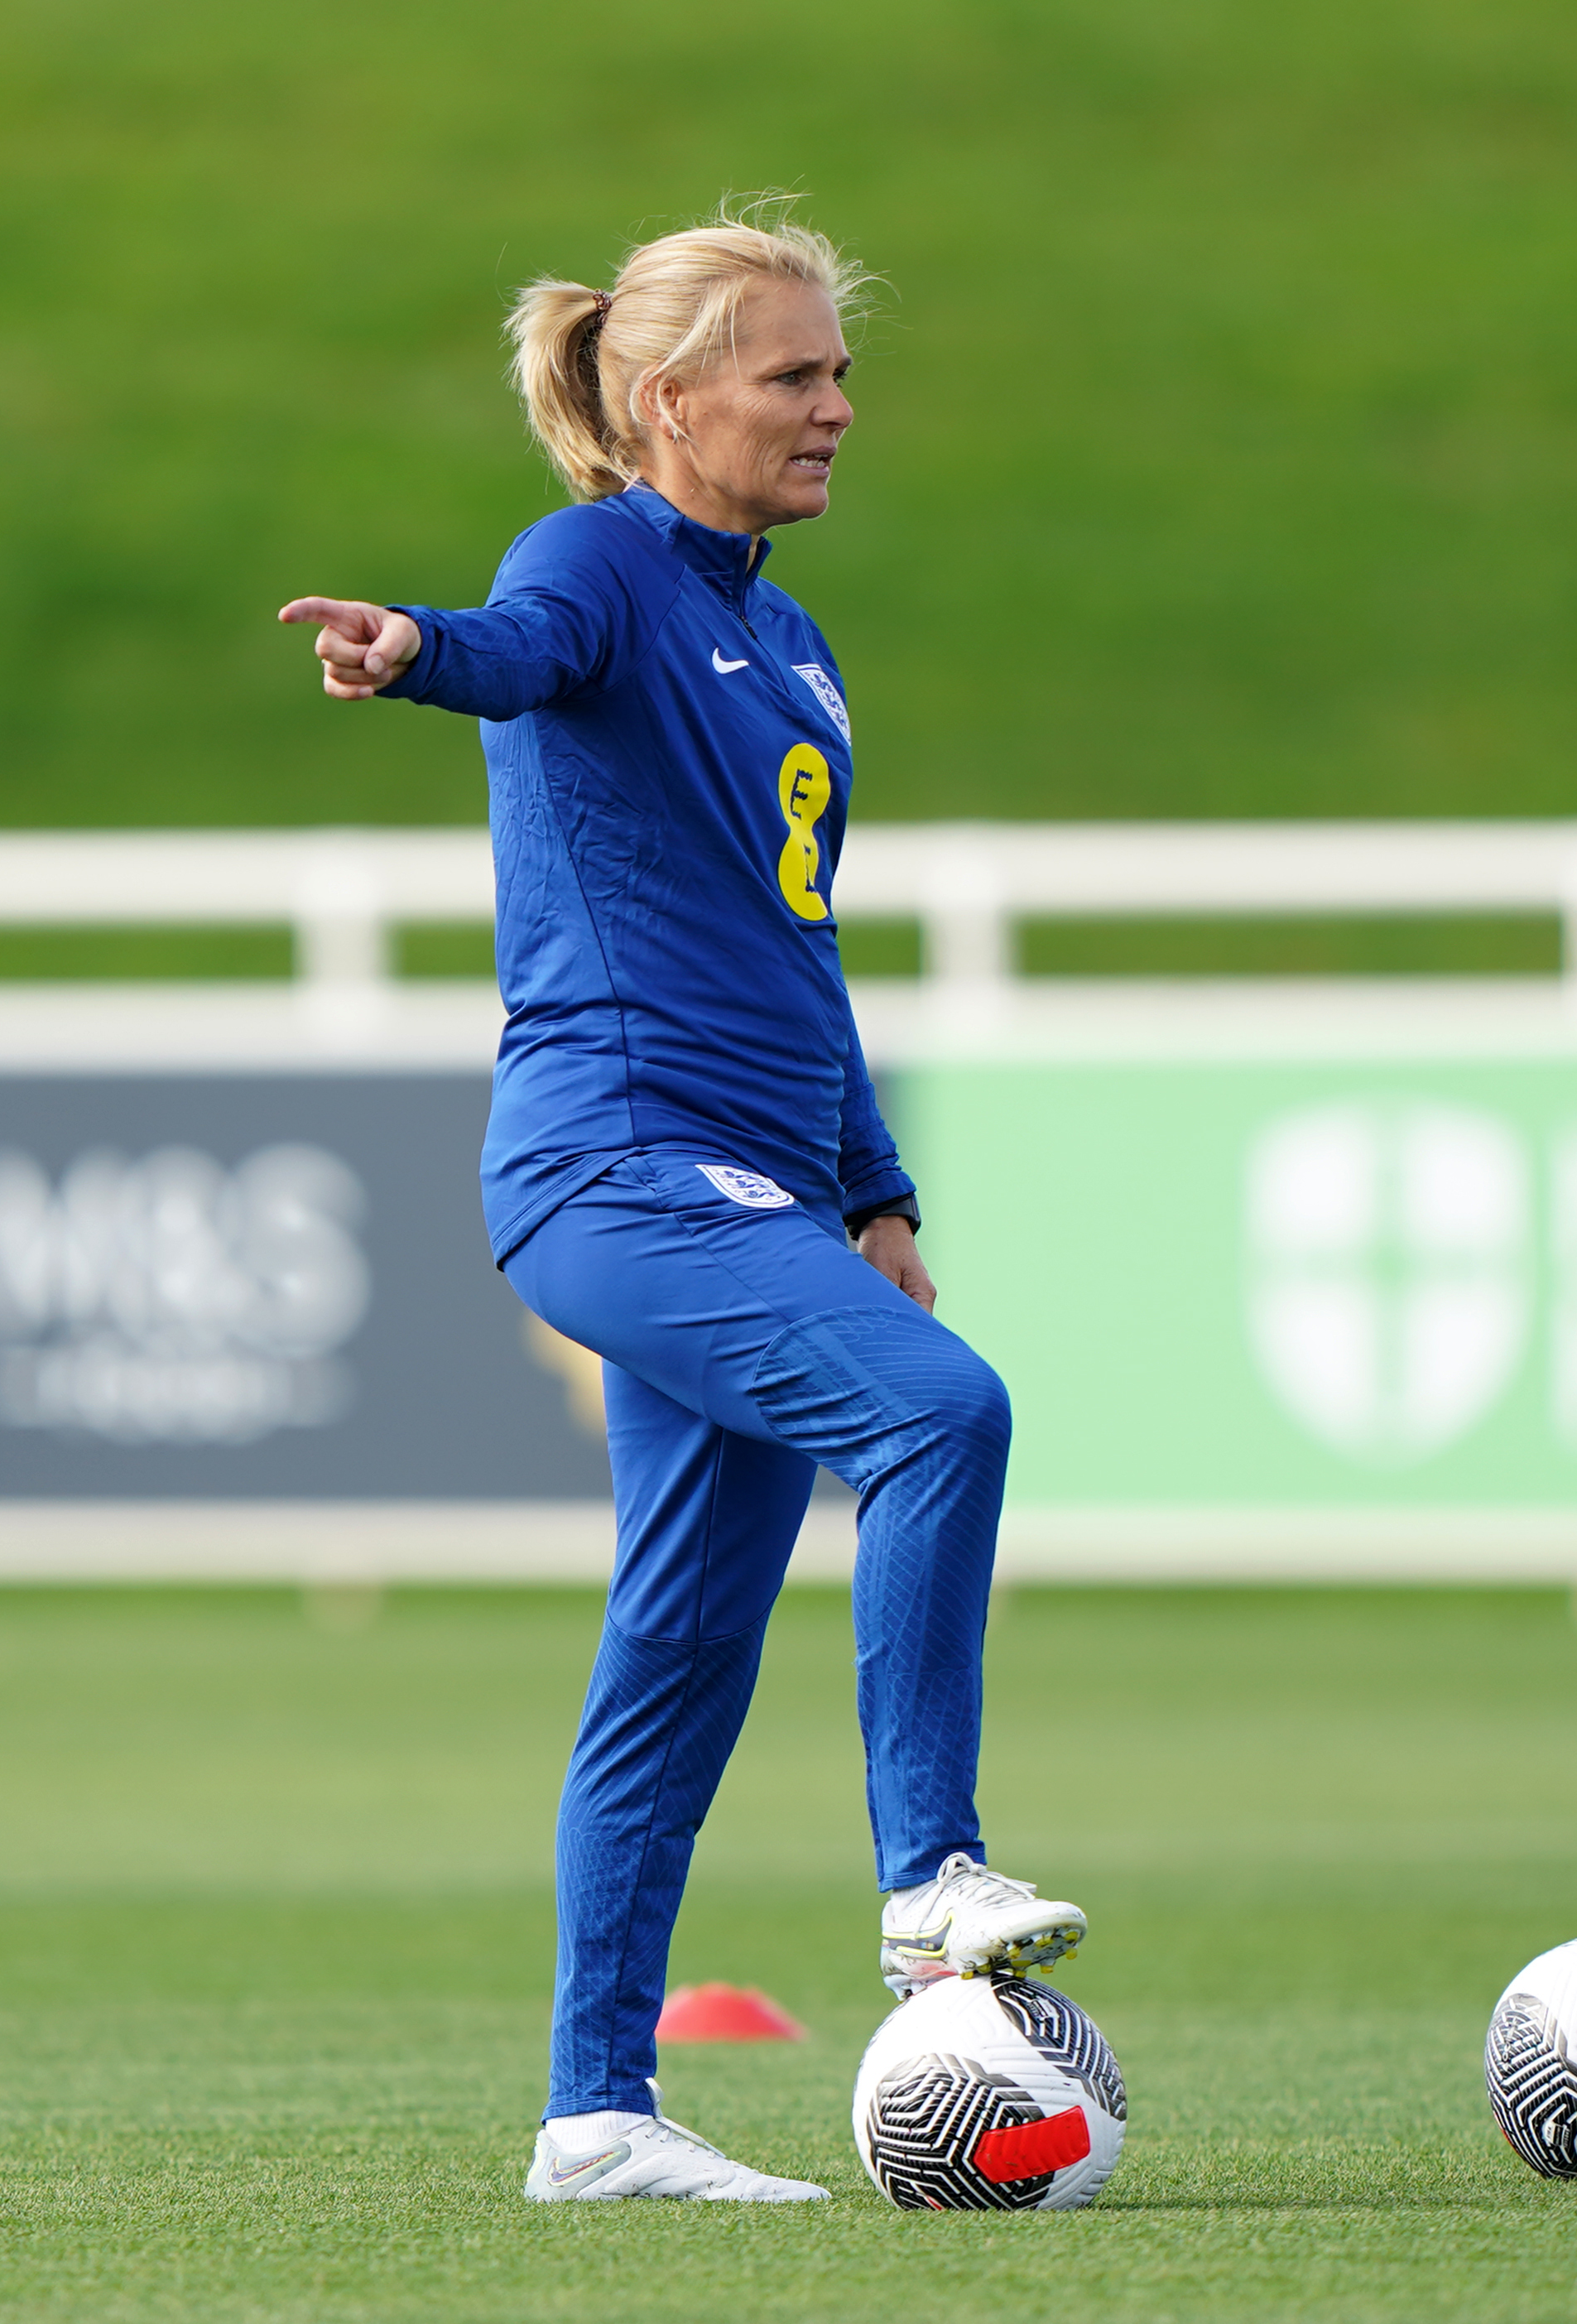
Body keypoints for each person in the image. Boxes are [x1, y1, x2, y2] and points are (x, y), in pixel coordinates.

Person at [278, 205, 1083, 2205]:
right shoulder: (591, 566)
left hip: (757, 1178)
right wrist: (413, 655)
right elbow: (516, 654)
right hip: (615, 1162)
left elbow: (794, 949)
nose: (836, 407)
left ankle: (597, 2119)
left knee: (682, 1642)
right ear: (663, 400)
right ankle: (927, 1891)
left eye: (837, 370)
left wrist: (874, 1187)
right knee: (940, 1412)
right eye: (793, 374)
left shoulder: (790, 635)